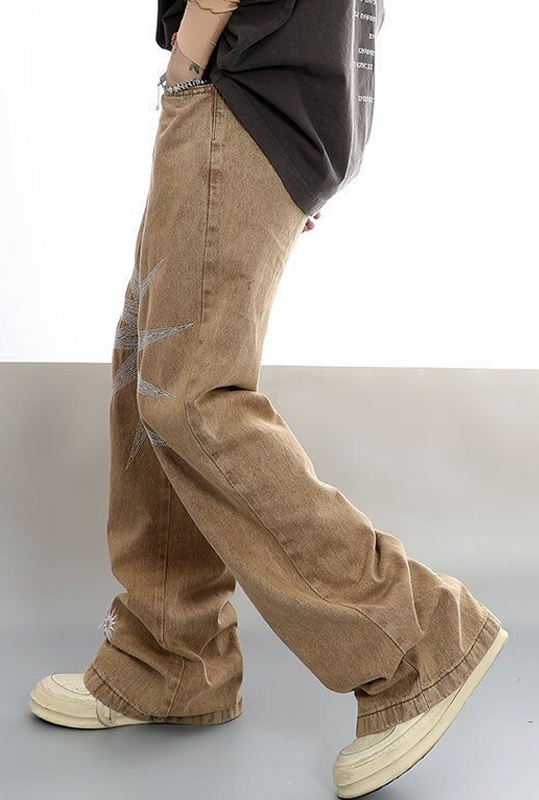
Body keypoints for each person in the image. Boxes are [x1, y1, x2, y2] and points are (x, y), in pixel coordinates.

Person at [29, 2, 508, 797]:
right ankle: (171, 658)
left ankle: (417, 642)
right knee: (152, 366)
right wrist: (313, 124)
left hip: (243, 86)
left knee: (190, 391)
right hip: (296, 88)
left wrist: (186, 66)